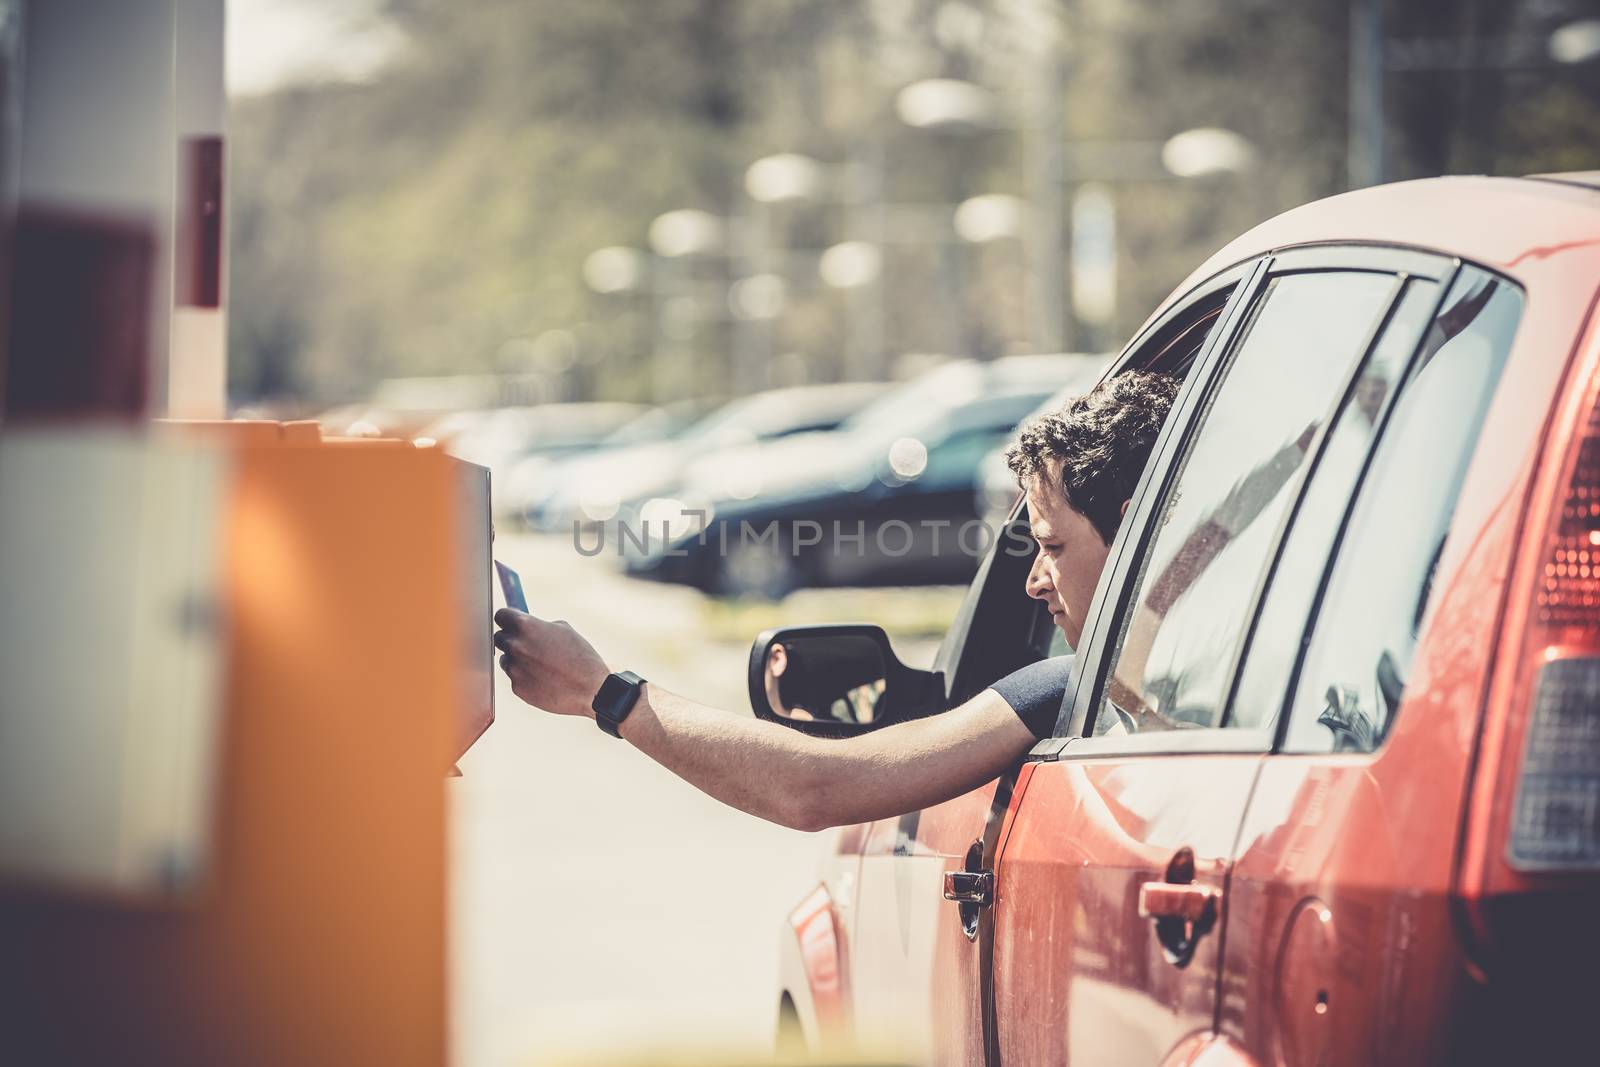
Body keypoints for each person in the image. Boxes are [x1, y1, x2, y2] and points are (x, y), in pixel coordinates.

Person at [492, 371, 1180, 831]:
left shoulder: (1075, 689)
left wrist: (604, 692)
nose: (1033, 580)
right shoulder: (1219, 677)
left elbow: (815, 785)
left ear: (1137, 530)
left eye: (1052, 547)